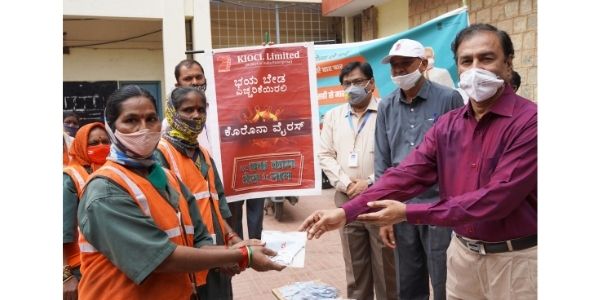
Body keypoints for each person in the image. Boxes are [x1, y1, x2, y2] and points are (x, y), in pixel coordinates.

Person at [300, 23, 537, 300]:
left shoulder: (530, 122)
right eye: (466, 61)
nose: (475, 69)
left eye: (486, 58)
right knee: (410, 280)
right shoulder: (449, 125)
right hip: (463, 255)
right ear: (457, 66)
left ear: (508, 63)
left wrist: (408, 212)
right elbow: (406, 174)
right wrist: (345, 213)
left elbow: (496, 199)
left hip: (514, 260)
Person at [77, 85, 284, 300]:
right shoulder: (105, 191)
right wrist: (244, 255)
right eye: (131, 120)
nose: (144, 128)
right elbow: (160, 258)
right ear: (112, 128)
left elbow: (199, 238)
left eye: (150, 119)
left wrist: (231, 250)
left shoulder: (167, 178)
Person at [375, 38, 464, 300]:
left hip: (439, 206)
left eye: (405, 64)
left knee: (443, 277)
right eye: (394, 66)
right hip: (400, 207)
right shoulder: (386, 106)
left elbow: (461, 152)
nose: (399, 71)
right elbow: (382, 160)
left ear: (423, 64)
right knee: (409, 280)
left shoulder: (449, 98)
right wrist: (384, 212)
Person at [319, 61, 397, 300]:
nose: (352, 87)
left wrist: (370, 182)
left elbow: (397, 155)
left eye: (357, 82)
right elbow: (325, 154)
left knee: (386, 265)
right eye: (347, 83)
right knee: (355, 265)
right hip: (346, 199)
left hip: (380, 198)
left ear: (371, 83)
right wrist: (346, 184)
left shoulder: (388, 111)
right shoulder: (333, 116)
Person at [156, 86, 242, 300]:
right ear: (172, 112)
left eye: (201, 109)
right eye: (188, 109)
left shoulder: (204, 154)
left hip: (216, 251)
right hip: (188, 258)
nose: (196, 115)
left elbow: (217, 202)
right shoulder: (160, 154)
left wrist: (231, 236)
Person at [63, 122, 111, 300]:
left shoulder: (112, 172)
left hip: (110, 264)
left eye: (105, 141)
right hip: (80, 268)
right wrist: (65, 277)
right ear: (81, 145)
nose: (101, 147)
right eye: (93, 143)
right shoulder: (70, 177)